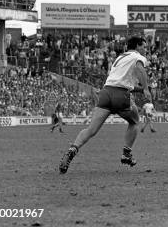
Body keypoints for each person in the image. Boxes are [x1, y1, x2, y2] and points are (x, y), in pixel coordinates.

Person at [59, 36, 151, 174]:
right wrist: (146, 88)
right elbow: (140, 69)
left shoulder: (120, 58)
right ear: (137, 46)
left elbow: (120, 81)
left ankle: (71, 150)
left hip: (106, 93)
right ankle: (126, 154)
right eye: (144, 46)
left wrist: (139, 89)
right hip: (121, 95)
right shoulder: (138, 57)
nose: (145, 49)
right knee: (135, 120)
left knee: (91, 130)